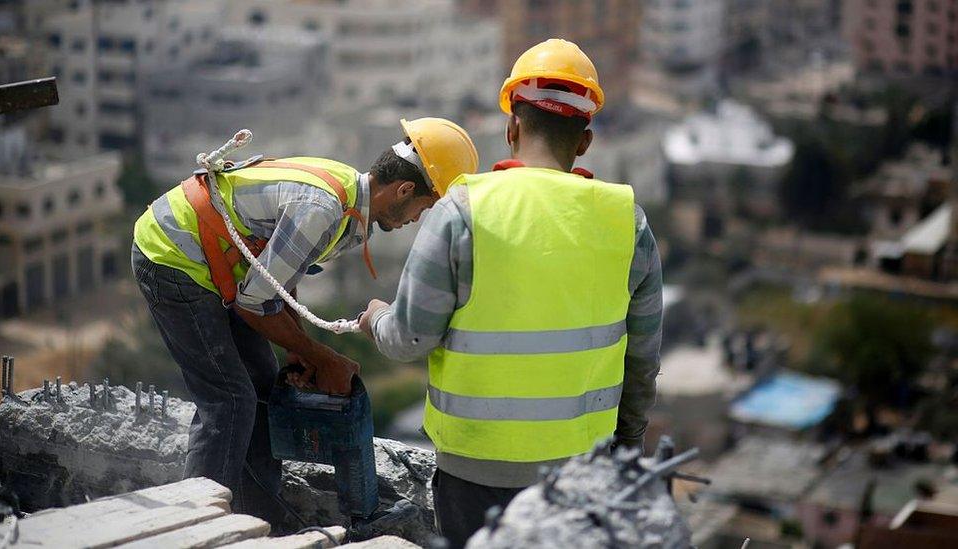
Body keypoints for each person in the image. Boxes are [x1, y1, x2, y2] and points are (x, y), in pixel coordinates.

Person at [359, 40, 663, 547]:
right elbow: (643, 360)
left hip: (475, 473)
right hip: (582, 473)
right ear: (585, 141)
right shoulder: (627, 223)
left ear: (512, 127)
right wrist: (624, 452)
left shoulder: (464, 210)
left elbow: (408, 339)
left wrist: (376, 319)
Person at [130, 118, 478, 524]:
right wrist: (322, 356)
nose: (417, 219)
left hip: (220, 267)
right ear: (404, 190)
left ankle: (259, 514)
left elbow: (279, 281)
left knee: (262, 382)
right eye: (424, 206)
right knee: (230, 399)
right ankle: (193, 525)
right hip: (172, 255)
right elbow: (254, 303)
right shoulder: (325, 208)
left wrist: (301, 348)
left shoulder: (348, 198)